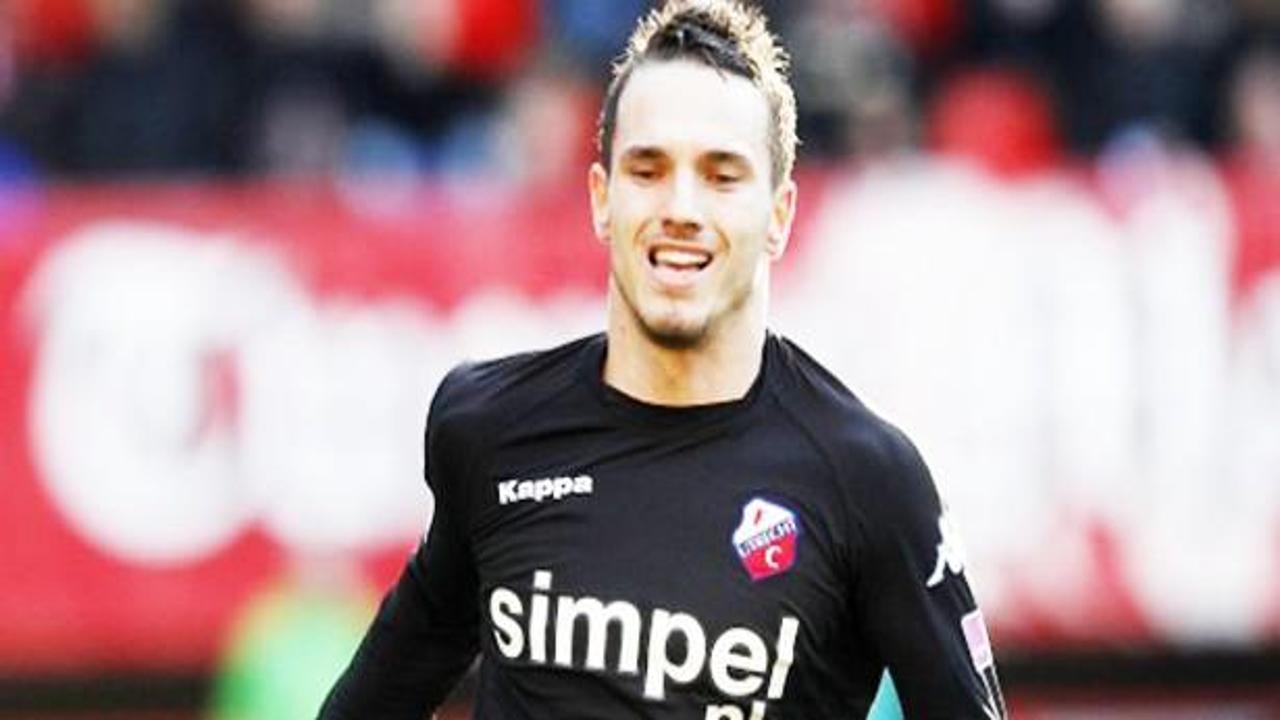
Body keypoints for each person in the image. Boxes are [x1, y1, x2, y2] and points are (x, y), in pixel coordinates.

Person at [318, 1, 1006, 718]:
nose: (681, 208)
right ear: (601, 198)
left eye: (721, 176)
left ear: (778, 215)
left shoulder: (867, 481)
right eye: (648, 170)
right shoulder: (490, 429)